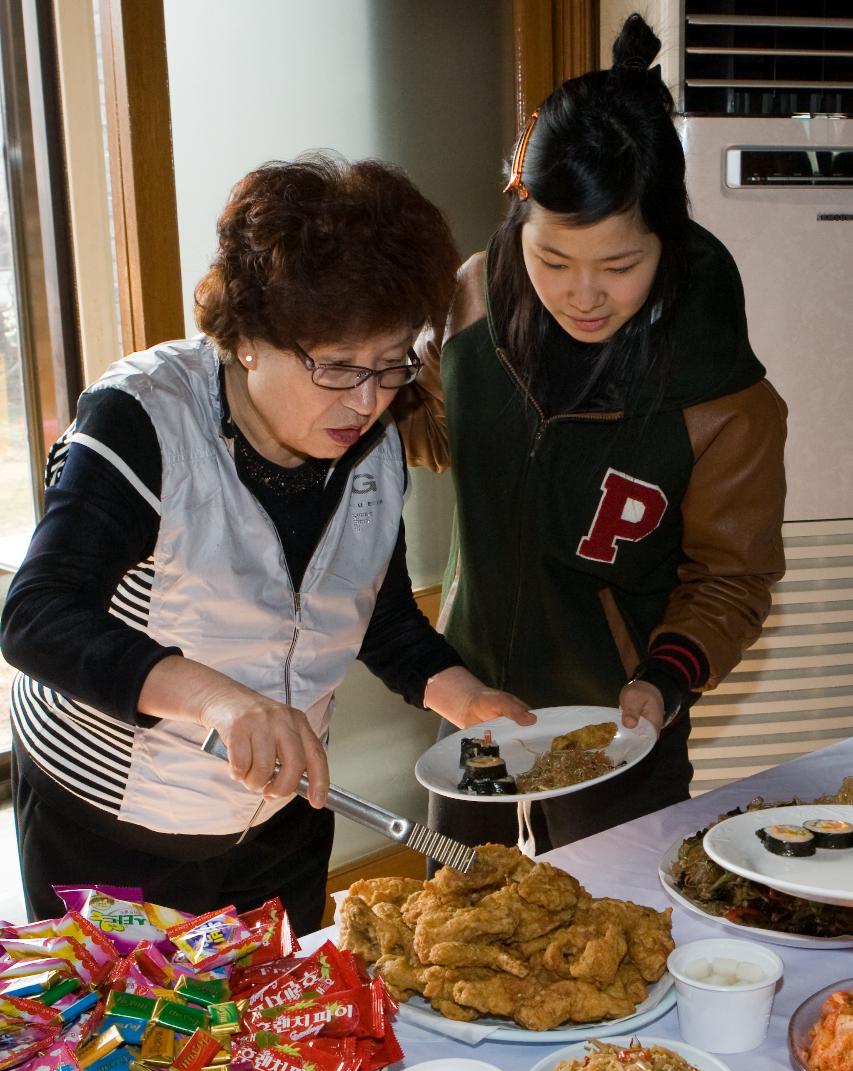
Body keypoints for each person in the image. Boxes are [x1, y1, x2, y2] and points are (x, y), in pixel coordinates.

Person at [0, 157, 532, 930]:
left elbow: (376, 619)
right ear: (248, 337)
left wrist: (466, 698)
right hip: (112, 830)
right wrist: (221, 699)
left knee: (283, 1041)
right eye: (337, 368)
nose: (366, 400)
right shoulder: (144, 420)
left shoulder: (372, 441)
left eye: (389, 367)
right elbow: (37, 616)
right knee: (135, 1047)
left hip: (283, 821)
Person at [395, 13, 787, 853]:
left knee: (619, 919)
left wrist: (663, 679)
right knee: (458, 918)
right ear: (519, 217)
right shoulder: (471, 301)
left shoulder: (725, 398)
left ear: (668, 242)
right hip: (476, 701)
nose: (582, 296)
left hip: (619, 717)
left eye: (619, 267)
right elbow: (432, 437)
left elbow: (732, 578)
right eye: (551, 261)